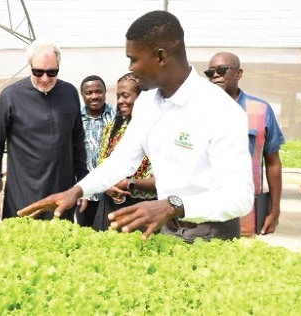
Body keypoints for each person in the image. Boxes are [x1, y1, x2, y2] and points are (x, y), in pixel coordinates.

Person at [18, 11, 254, 243]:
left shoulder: (220, 109)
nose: (130, 68)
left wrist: (175, 206)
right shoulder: (147, 104)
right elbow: (122, 161)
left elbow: (239, 197)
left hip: (212, 235)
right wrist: (77, 191)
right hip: (166, 229)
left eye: (134, 59)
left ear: (161, 57)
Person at [0, 39, 88, 222]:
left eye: (52, 72)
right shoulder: (11, 96)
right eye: (38, 71)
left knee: (61, 245)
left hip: (61, 192)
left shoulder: (70, 93)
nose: (45, 78)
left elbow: (77, 143)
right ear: (29, 65)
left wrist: (83, 186)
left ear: (58, 66)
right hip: (22, 193)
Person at [206, 52, 285, 236]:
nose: (215, 75)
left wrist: (274, 211)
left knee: (239, 260)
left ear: (239, 73)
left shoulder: (261, 109)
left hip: (245, 209)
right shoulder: (199, 110)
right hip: (204, 206)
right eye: (210, 72)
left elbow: (273, 162)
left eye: (221, 70)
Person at [92, 72, 157, 231]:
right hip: (110, 207)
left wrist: (130, 184)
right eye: (118, 96)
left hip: (143, 210)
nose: (120, 101)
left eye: (126, 96)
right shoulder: (111, 130)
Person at [78, 75, 115, 227]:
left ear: (105, 92)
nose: (94, 96)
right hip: (85, 193)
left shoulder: (116, 117)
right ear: (82, 95)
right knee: (85, 236)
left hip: (110, 193)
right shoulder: (75, 120)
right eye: (89, 93)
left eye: (98, 91)